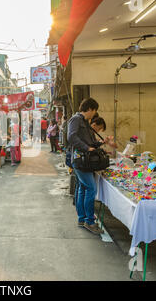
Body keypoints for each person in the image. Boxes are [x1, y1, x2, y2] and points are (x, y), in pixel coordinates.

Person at [67, 98, 104, 235]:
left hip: (84, 161)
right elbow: (71, 137)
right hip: (79, 160)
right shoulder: (76, 119)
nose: (94, 114)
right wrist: (86, 148)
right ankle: (89, 221)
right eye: (94, 111)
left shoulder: (84, 122)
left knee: (83, 188)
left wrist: (100, 143)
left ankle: (82, 218)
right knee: (91, 188)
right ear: (89, 109)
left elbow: (89, 142)